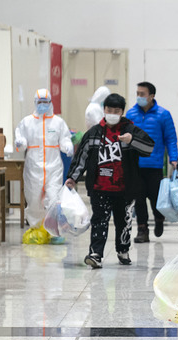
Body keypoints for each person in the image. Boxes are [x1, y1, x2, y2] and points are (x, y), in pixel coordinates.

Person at [66, 93, 155, 268]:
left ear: (122, 111)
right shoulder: (94, 133)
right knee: (99, 221)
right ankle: (96, 253)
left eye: (116, 110)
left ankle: (123, 250)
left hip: (125, 189)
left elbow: (149, 148)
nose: (112, 113)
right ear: (104, 110)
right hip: (100, 187)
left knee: (124, 222)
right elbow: (82, 157)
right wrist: (73, 178)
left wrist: (133, 141)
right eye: (109, 110)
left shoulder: (130, 130)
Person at [125, 82, 178, 243]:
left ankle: (159, 218)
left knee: (156, 198)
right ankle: (142, 230)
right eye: (138, 93)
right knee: (139, 199)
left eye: (142, 93)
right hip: (136, 165)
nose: (139, 96)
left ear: (151, 96)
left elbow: (170, 138)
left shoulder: (163, 115)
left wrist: (174, 159)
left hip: (155, 165)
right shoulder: (131, 114)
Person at [15, 88, 73, 233]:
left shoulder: (58, 122)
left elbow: (65, 138)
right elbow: (20, 139)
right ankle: (36, 229)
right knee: (33, 198)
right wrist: (20, 143)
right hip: (33, 166)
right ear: (35, 102)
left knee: (53, 198)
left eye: (45, 102)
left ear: (50, 103)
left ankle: (54, 231)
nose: (42, 105)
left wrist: (67, 146)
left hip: (53, 166)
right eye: (39, 102)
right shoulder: (27, 122)